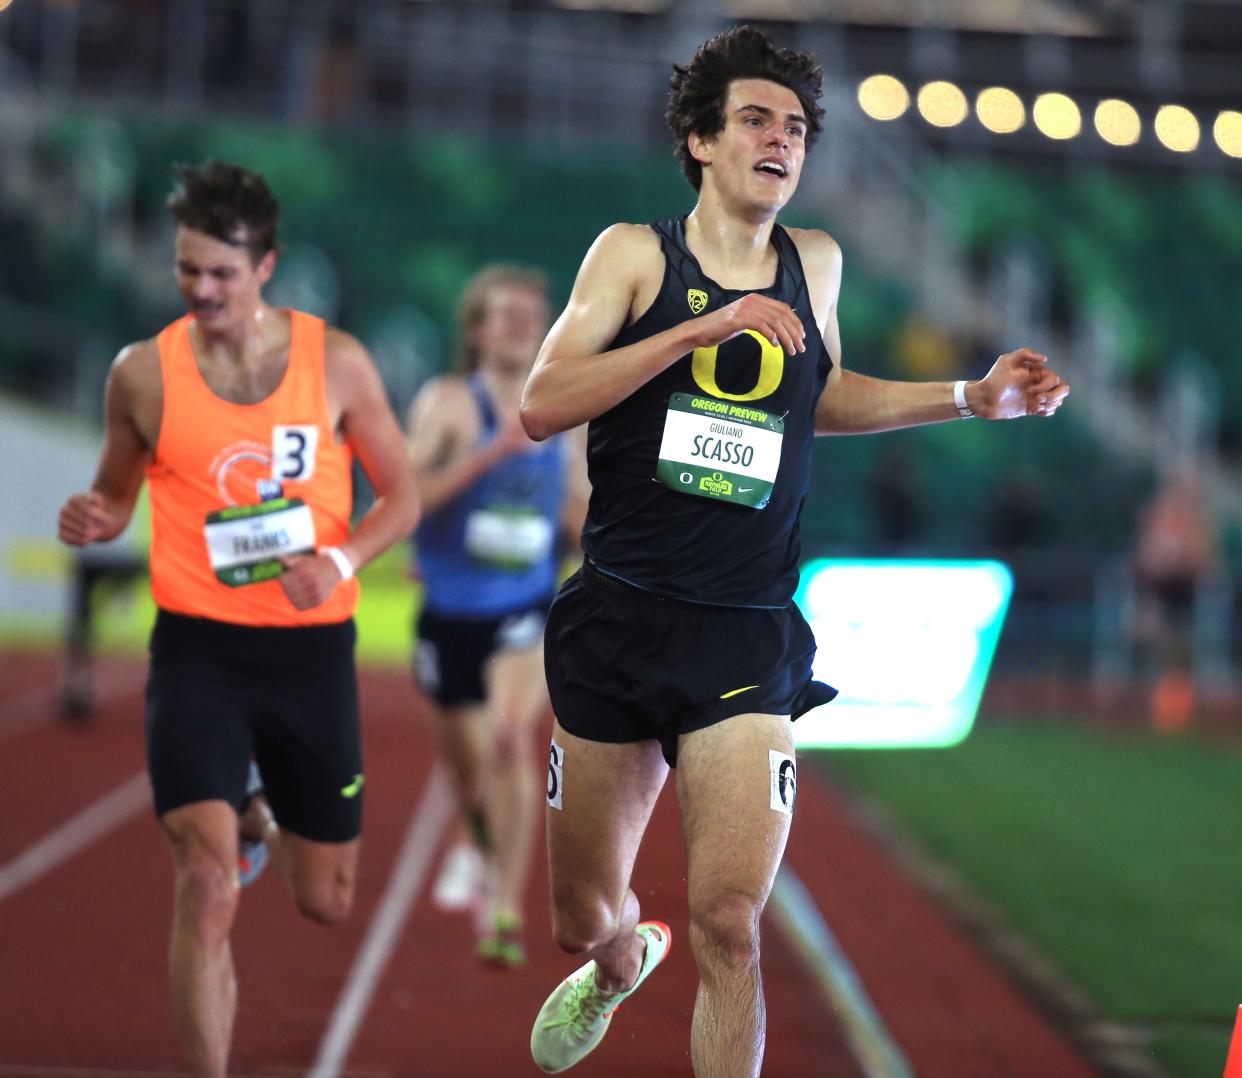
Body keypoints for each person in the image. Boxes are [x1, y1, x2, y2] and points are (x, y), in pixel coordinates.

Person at [519, 25, 1069, 1077]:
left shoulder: (815, 259)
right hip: (618, 620)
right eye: (759, 121)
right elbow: (544, 403)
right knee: (578, 914)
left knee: (730, 921)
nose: (783, 140)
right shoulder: (635, 254)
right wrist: (699, 329)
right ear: (700, 141)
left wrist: (973, 396)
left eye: (799, 128)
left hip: (746, 631)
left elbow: (826, 395)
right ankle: (616, 957)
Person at [57, 160, 419, 1078]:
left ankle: (259, 819)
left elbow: (402, 496)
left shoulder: (334, 362)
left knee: (327, 899)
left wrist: (338, 561)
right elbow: (113, 493)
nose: (203, 289)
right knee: (206, 882)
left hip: (311, 655)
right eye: (188, 270)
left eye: (222, 271)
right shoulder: (142, 374)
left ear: (266, 266)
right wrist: (99, 515)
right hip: (198, 654)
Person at [406, 265, 588, 967]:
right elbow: (409, 497)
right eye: (504, 315)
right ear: (477, 329)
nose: (518, 325)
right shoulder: (451, 404)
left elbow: (579, 511)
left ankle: (505, 906)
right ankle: (476, 833)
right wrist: (493, 454)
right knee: (469, 769)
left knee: (512, 738)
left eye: (529, 314)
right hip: (450, 613)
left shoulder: (564, 411)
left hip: (526, 606)